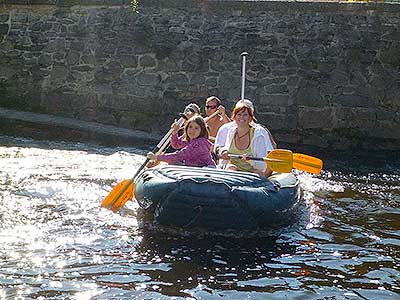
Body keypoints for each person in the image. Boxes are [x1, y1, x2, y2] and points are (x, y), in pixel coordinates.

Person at [217, 99, 275, 177]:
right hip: (233, 168)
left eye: (245, 115)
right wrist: (223, 151)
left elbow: (262, 166)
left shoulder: (259, 134)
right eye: (239, 114)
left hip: (253, 170)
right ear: (234, 117)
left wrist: (250, 160)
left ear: (250, 118)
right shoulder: (230, 131)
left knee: (257, 174)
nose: (242, 118)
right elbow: (222, 148)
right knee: (231, 169)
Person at [147, 115, 216, 168]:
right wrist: (175, 132)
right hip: (196, 169)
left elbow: (178, 156)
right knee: (172, 163)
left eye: (196, 128)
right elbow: (176, 145)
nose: (192, 130)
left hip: (206, 170)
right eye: (190, 127)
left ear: (202, 131)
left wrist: (156, 157)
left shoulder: (199, 143)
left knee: (172, 162)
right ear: (186, 128)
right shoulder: (191, 140)